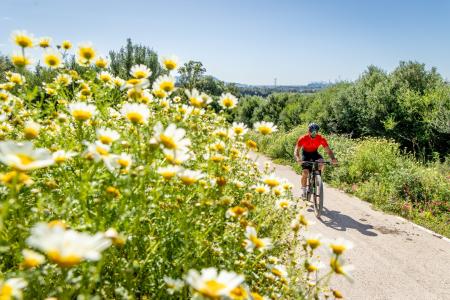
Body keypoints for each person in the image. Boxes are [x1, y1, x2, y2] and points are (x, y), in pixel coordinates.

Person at [293, 123, 337, 198]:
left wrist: (333, 159)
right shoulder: (303, 138)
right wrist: (298, 158)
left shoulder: (321, 138)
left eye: (315, 131)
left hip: (314, 153)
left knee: (321, 162)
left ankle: (317, 177)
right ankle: (303, 190)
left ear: (317, 132)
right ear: (308, 131)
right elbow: (297, 149)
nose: (313, 133)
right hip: (305, 154)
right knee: (305, 172)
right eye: (312, 131)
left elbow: (328, 150)